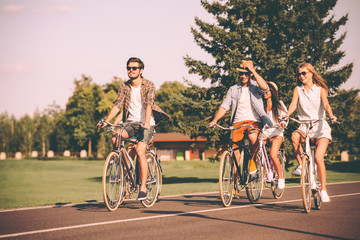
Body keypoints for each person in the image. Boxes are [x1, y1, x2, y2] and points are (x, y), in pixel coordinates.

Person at [97, 57, 169, 201]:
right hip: (130, 123)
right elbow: (118, 105)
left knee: (140, 150)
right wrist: (107, 121)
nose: (131, 70)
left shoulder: (149, 85)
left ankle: (142, 188)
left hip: (145, 123)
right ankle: (126, 168)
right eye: (128, 68)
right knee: (115, 137)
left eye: (134, 68)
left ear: (141, 70)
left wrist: (147, 122)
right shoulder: (124, 86)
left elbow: (149, 104)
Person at [209, 60, 273, 179]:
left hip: (254, 121)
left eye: (246, 73)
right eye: (241, 74)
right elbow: (224, 106)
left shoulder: (256, 86)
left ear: (250, 74)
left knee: (253, 139)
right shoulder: (233, 89)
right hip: (237, 123)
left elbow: (266, 88)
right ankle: (235, 182)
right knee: (235, 153)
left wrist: (253, 70)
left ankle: (252, 161)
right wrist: (215, 120)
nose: (243, 76)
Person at [284, 62, 337, 202]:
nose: (301, 76)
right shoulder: (298, 90)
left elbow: (326, 104)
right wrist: (287, 114)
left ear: (312, 73)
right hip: (304, 127)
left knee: (319, 158)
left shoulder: (320, 89)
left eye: (304, 73)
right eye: (299, 74)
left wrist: (331, 115)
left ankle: (324, 189)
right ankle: (302, 164)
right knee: (294, 136)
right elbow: (293, 104)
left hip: (320, 127)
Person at [262, 81, 288, 189]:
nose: (264, 92)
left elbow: (286, 116)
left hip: (277, 131)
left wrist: (283, 123)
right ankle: (260, 170)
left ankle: (281, 177)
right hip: (265, 131)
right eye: (263, 90)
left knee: (273, 154)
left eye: (267, 90)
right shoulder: (261, 104)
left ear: (272, 91)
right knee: (255, 146)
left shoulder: (279, 104)